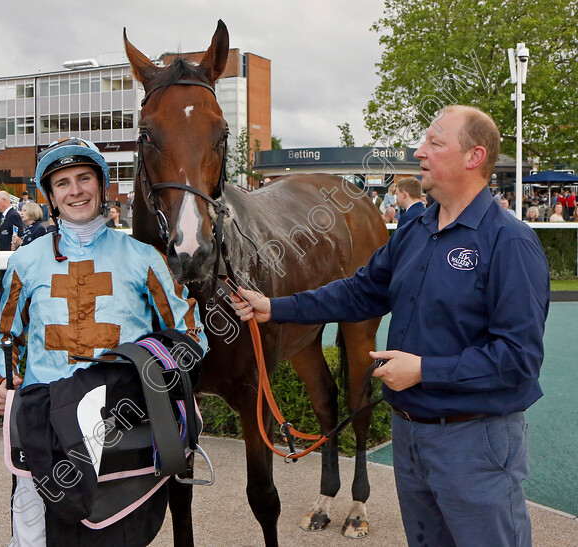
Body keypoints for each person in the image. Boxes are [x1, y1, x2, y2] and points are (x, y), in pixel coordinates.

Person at [230, 106, 548, 547]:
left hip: (476, 442)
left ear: (474, 157)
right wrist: (275, 307)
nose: (419, 152)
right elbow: (358, 292)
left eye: (435, 143)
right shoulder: (416, 228)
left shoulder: (510, 242)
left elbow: (520, 359)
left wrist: (424, 370)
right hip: (412, 435)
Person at [0, 137, 207, 546]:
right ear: (50, 197)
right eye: (63, 183)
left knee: (120, 534)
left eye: (85, 178)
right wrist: (7, 381)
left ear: (102, 186)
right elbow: (4, 340)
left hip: (122, 422)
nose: (76, 191)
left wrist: (151, 376)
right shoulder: (26, 260)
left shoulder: (143, 258)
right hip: (45, 421)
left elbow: (190, 338)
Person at [0, 191, 24, 327]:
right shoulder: (7, 216)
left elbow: (18, 235)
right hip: (4, 259)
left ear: (4, 200)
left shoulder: (13, 216)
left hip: (9, 259)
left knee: (4, 290)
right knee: (2, 289)